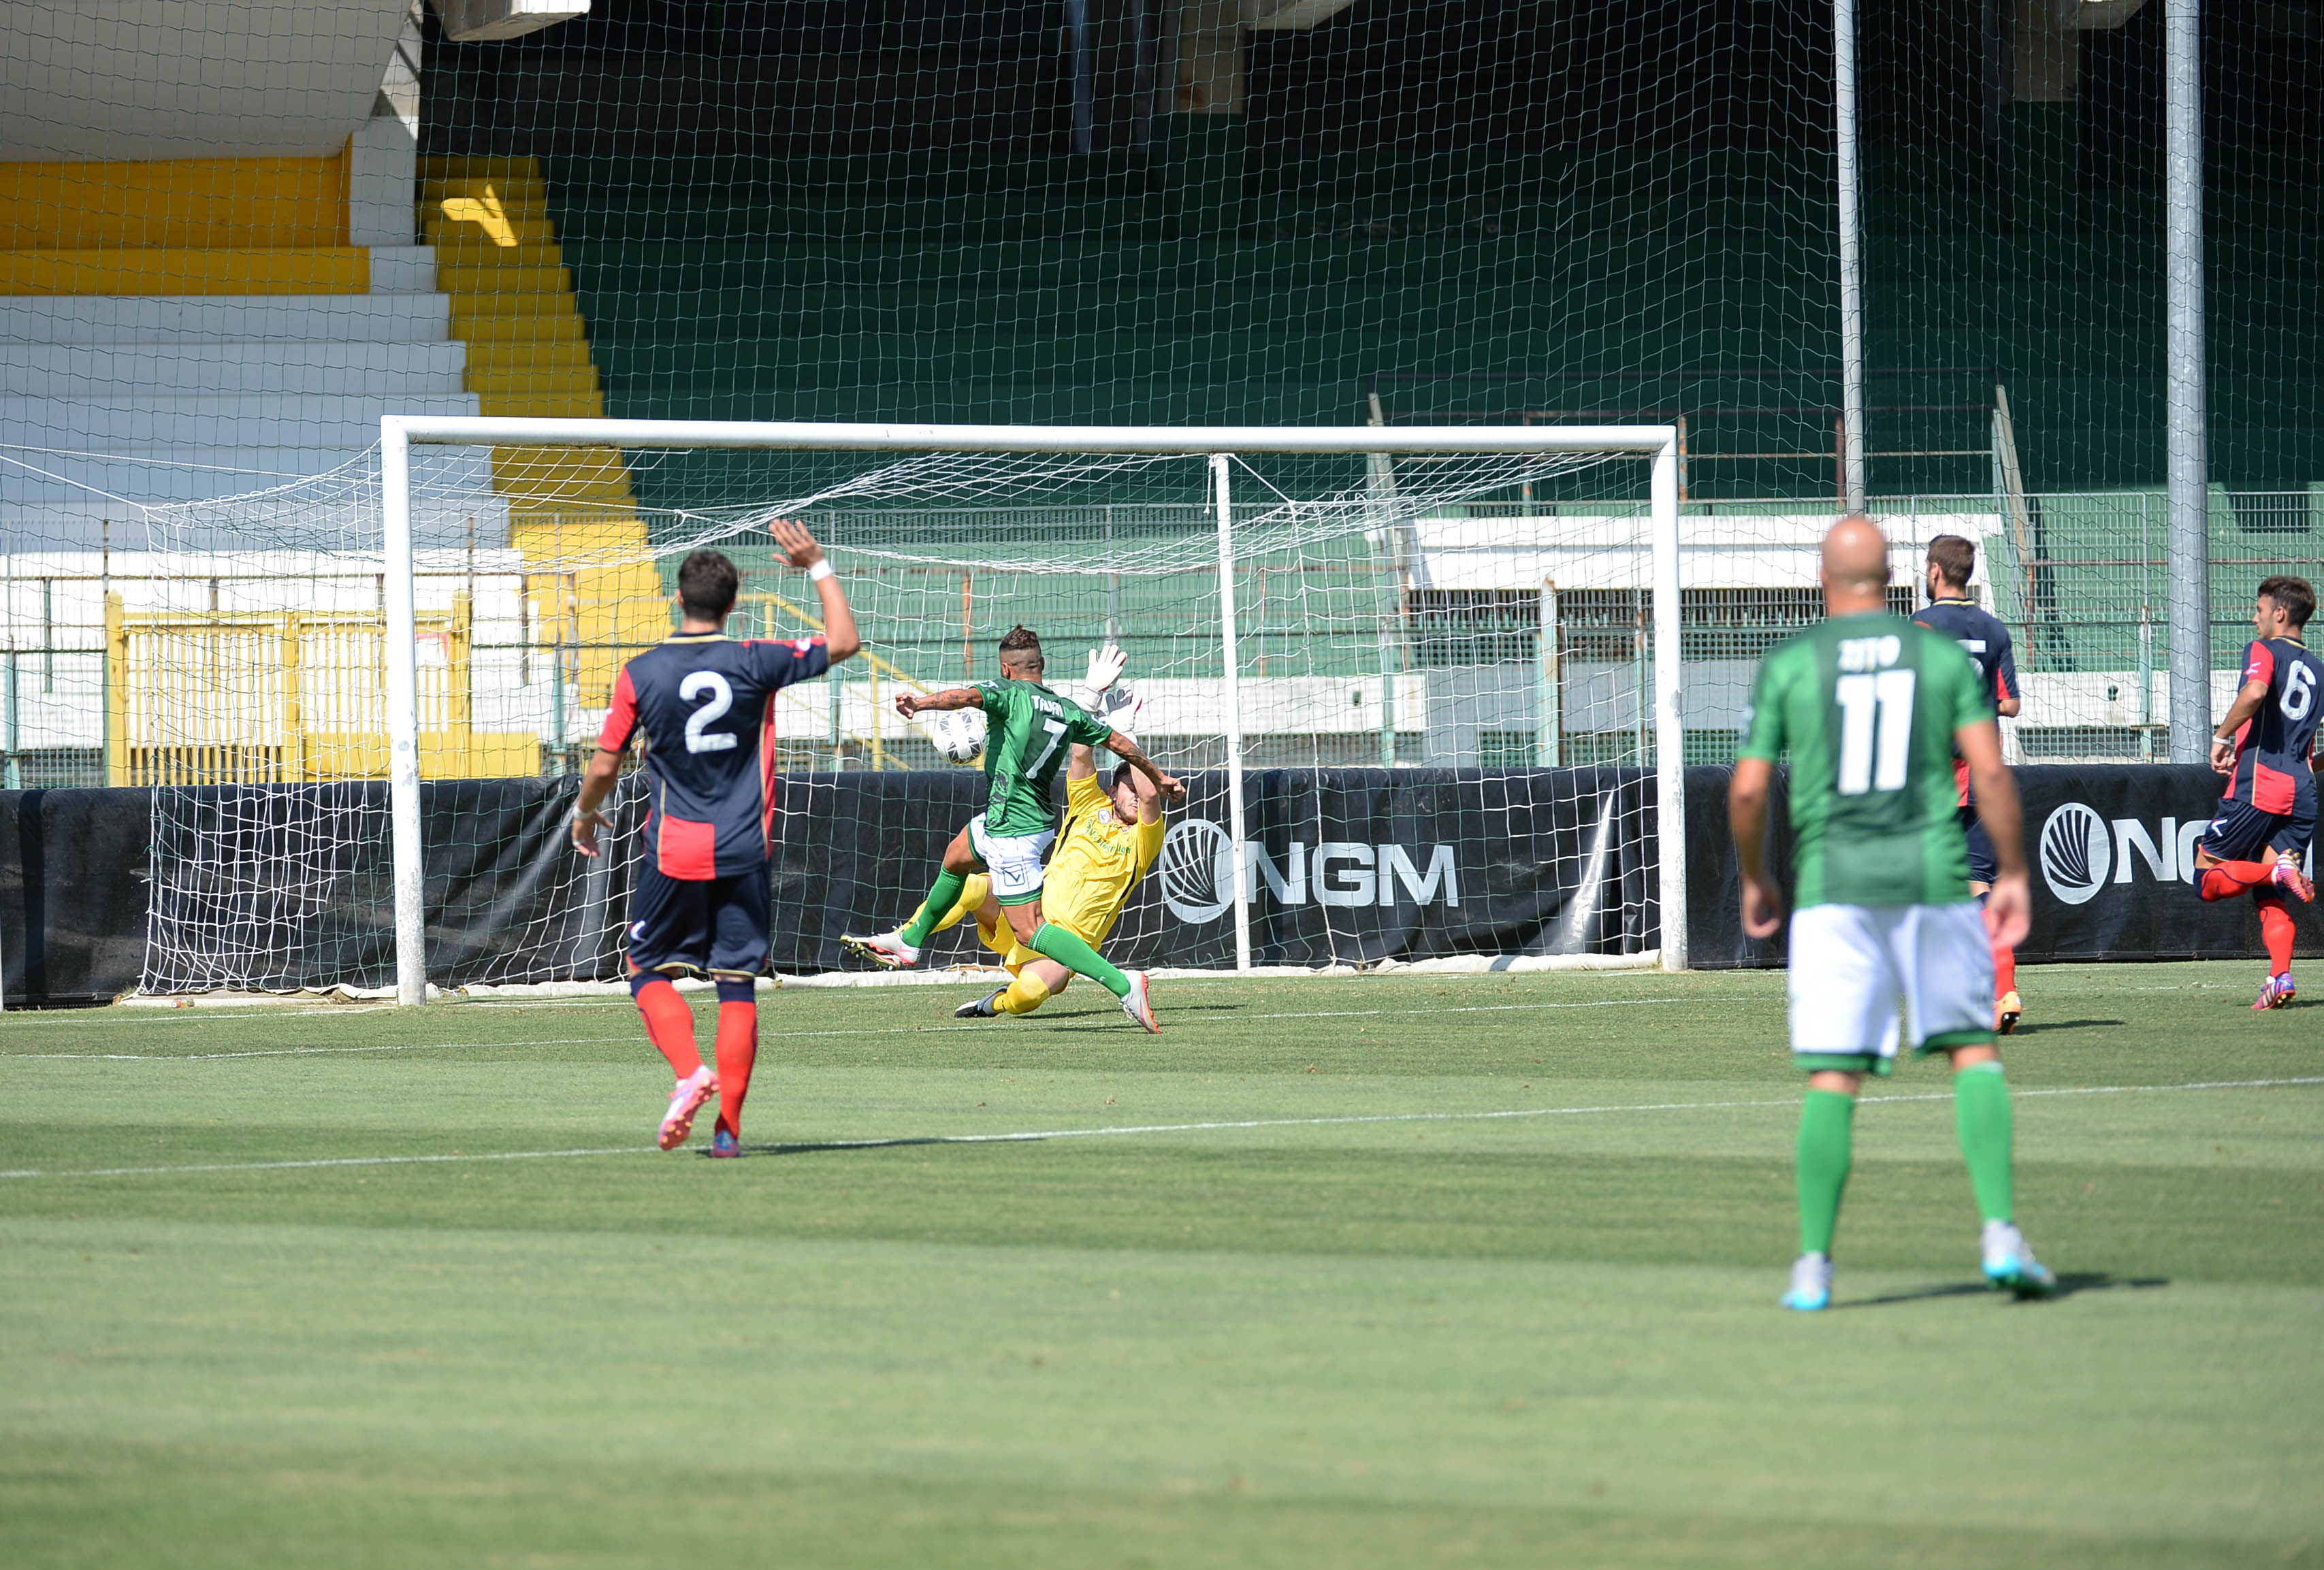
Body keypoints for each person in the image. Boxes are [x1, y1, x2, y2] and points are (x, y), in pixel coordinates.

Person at [1729, 514, 2054, 1312]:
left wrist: (1753, 879)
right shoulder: (1938, 658)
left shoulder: (1793, 661)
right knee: (1973, 1053)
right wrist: (2011, 870)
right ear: (1890, 578)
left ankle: (1813, 1264)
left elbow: (1745, 788)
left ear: (1823, 578)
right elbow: (1993, 773)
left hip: (1837, 890)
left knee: (1833, 1077)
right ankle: (2001, 1234)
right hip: (1935, 879)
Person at [571, 527, 859, 1158]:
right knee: (736, 987)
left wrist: (586, 814)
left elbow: (603, 765)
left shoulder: (641, 672)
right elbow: (844, 642)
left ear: (680, 600)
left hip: (673, 850)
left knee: (646, 969)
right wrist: (818, 565)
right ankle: (728, 1132)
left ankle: (688, 1071)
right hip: (743, 851)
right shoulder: (757, 658)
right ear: (733, 604)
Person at [842, 626, 1183, 1032]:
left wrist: (922, 703)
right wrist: (1100, 705)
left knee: (1029, 974)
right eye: (1124, 783)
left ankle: (1119, 983)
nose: (1131, 791)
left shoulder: (1144, 837)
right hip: (1007, 818)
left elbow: (965, 697)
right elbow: (1102, 750)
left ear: (1006, 669)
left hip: (1040, 887)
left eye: (1135, 785)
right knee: (958, 862)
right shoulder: (1079, 760)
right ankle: (910, 938)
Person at [905, 738, 1167, 1020]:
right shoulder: (1089, 804)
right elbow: (1080, 754)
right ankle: (904, 939)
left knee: (1027, 996)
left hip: (1064, 948)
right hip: (1026, 911)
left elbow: (1151, 796)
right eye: (1131, 788)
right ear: (1113, 792)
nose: (1138, 796)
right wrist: (1095, 707)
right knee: (971, 887)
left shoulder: (1145, 839)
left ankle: (991, 1005)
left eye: (1141, 788)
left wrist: (1129, 735)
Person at [1910, 533, 2025, 1034]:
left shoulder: (1921, 625)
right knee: (1980, 883)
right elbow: (2011, 704)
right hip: (1986, 774)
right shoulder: (1994, 628)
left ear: (1935, 570)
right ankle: (2003, 990)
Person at [2191, 575, 2319, 1011]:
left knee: (2205, 881)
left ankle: (2274, 872)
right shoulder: (2318, 670)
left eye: (2260, 610)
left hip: (2259, 785)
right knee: (2272, 897)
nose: (2255, 617)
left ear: (2279, 614)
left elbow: (2257, 691)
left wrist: (2223, 737)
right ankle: (2280, 976)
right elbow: (2309, 749)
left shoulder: (2264, 650)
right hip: (2303, 793)